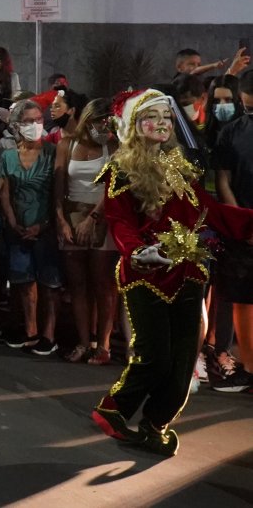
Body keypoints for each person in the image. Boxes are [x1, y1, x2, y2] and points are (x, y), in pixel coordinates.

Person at [91, 88, 253, 456]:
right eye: (153, 117)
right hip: (146, 274)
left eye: (167, 117)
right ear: (133, 125)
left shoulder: (180, 166)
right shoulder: (121, 170)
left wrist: (248, 223)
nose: (163, 124)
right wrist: (138, 252)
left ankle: (156, 423)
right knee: (155, 357)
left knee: (182, 363)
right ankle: (114, 410)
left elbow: (209, 211)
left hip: (190, 273)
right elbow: (119, 221)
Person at [54, 99, 117, 364]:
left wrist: (93, 218)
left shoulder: (113, 146)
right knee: (78, 285)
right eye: (97, 122)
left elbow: (114, 185)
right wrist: (62, 222)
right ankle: (83, 342)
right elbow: (58, 187)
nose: (102, 128)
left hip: (102, 216)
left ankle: (103, 345)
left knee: (103, 285)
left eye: (107, 122)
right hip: (72, 213)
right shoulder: (67, 144)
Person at [0, 99, 61, 355]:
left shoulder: (51, 153)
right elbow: (4, 193)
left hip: (46, 227)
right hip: (18, 227)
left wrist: (43, 224)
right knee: (24, 282)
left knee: (49, 282)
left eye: (38, 120)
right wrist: (13, 222)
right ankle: (31, 330)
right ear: (16, 125)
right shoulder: (8, 156)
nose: (35, 125)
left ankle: (49, 334)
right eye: (28, 121)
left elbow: (58, 193)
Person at [214, 69, 253, 382]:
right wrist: (240, 219)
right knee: (241, 298)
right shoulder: (230, 132)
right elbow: (223, 178)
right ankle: (250, 368)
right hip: (242, 229)